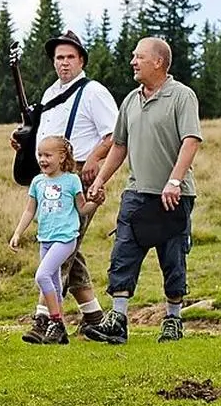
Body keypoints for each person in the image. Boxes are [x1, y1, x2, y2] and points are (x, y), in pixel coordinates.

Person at [84, 37, 203, 344]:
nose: (133, 62)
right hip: (136, 193)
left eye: (139, 57)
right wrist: (100, 181)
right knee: (123, 253)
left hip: (173, 195)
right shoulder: (130, 101)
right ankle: (118, 321)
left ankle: (173, 321)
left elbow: (191, 141)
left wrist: (174, 181)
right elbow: (119, 145)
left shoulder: (182, 96)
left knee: (173, 258)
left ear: (158, 62)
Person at [10, 30, 118, 340]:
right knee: (68, 246)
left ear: (82, 60)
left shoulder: (94, 92)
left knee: (62, 246)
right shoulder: (48, 95)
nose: (64, 63)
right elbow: (44, 137)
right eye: (59, 57)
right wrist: (24, 143)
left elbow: (113, 135)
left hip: (79, 176)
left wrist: (96, 161)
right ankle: (94, 316)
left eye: (71, 57)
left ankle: (45, 320)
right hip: (50, 178)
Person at [9, 135, 99, 344]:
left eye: (48, 155)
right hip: (45, 239)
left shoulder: (71, 180)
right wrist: (17, 233)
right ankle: (60, 334)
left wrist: (96, 202)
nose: (42, 159)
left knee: (42, 276)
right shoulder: (38, 182)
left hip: (65, 239)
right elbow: (30, 209)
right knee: (56, 284)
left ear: (62, 157)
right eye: (40, 155)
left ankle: (55, 320)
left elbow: (82, 209)